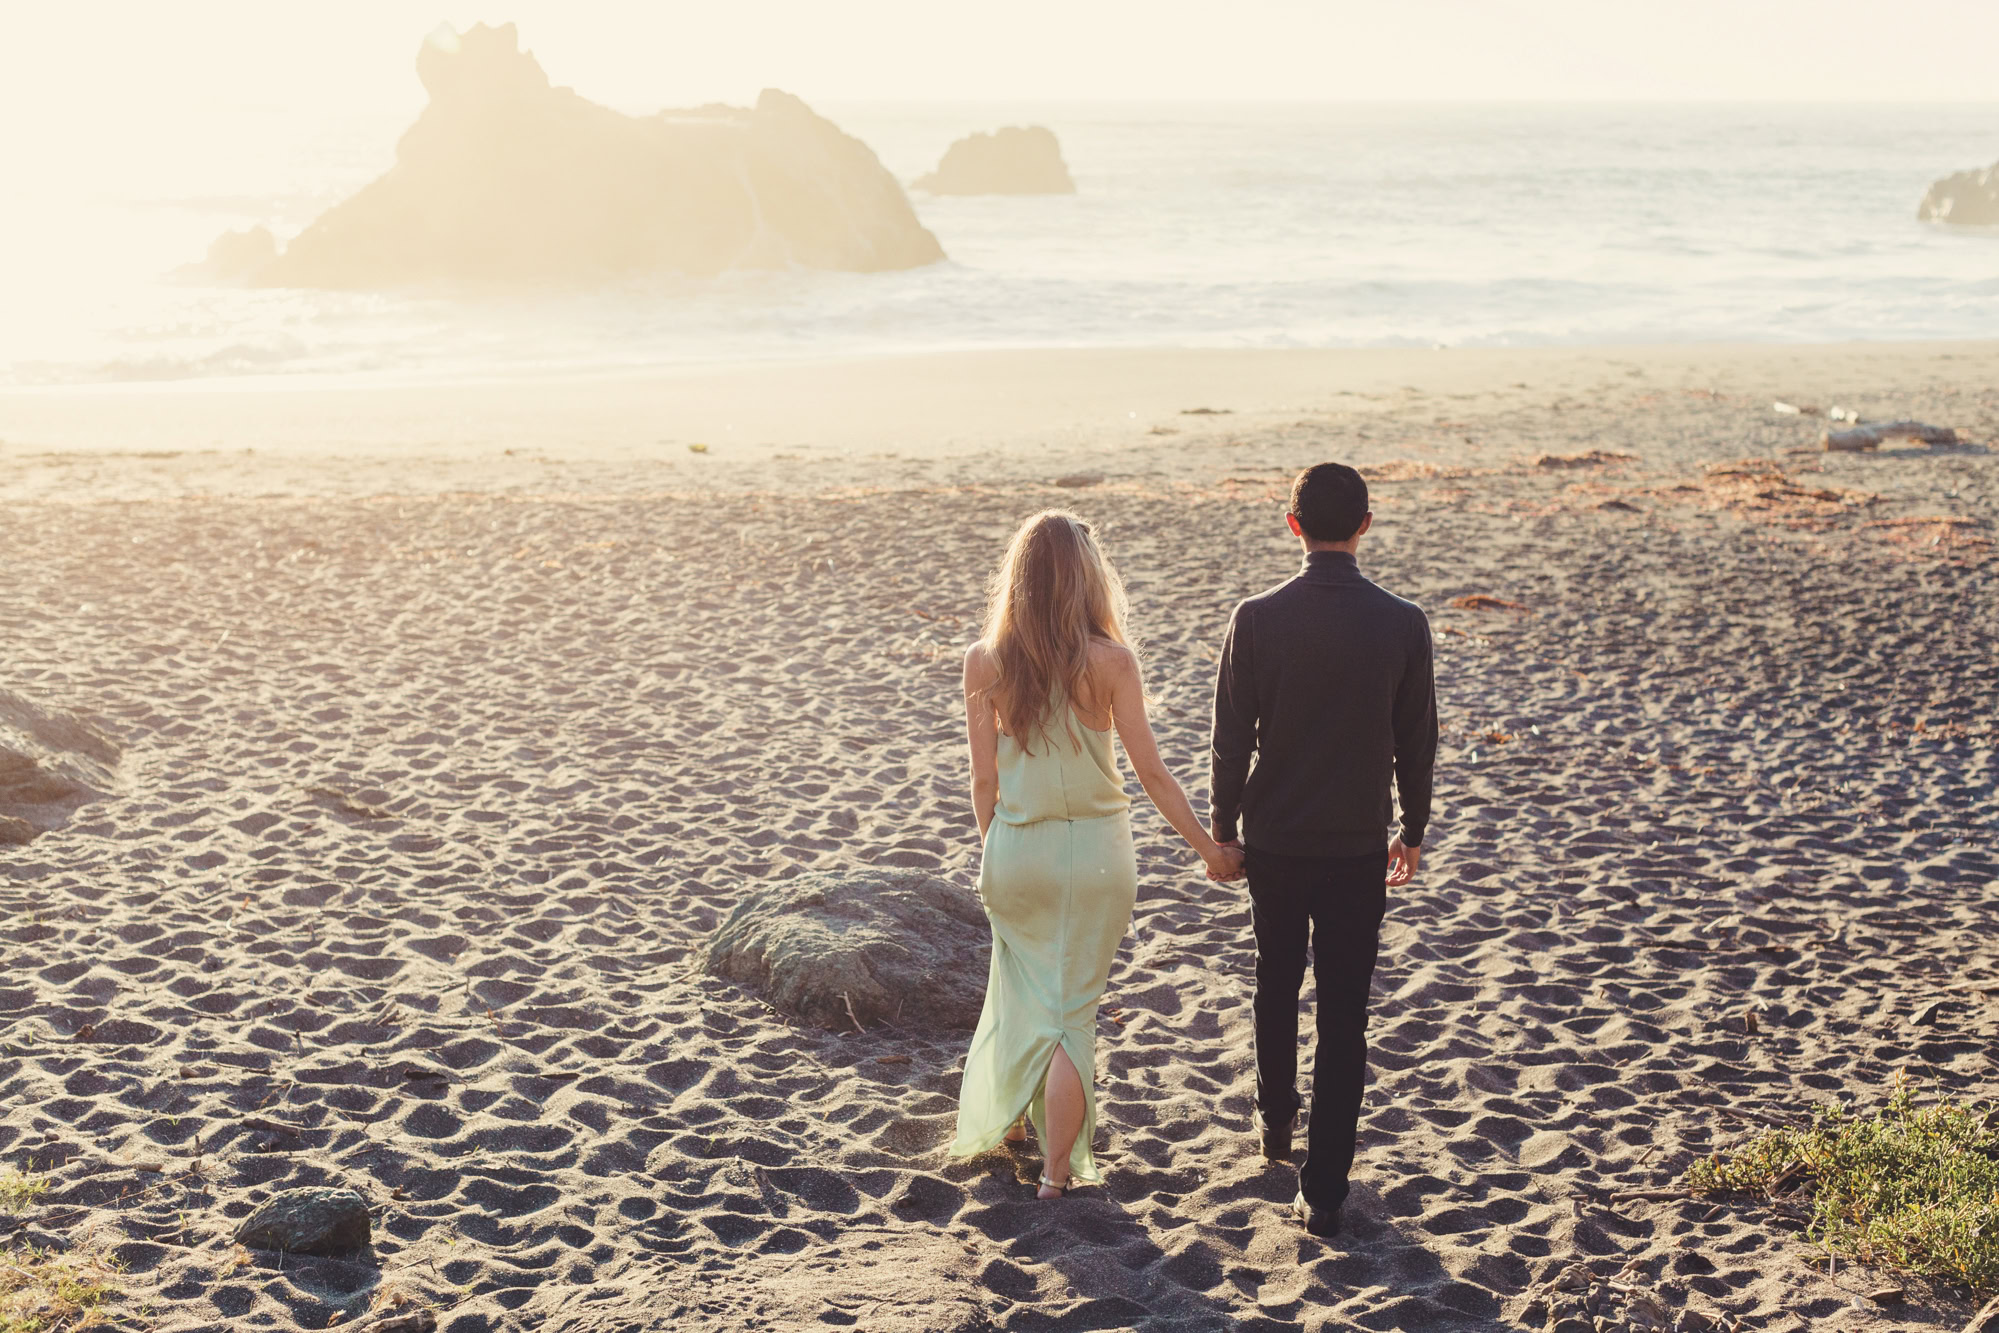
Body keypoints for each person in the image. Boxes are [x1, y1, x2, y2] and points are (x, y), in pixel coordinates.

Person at [950, 510, 1244, 1198]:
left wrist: (995, 847)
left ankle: (1016, 1128)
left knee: (1024, 987)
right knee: (1068, 1011)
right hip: (1095, 854)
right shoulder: (1111, 660)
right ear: (1086, 578)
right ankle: (1055, 1175)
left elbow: (982, 779)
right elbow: (1152, 774)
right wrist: (1209, 849)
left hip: (1018, 845)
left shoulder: (984, 661)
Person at [1210, 462, 1438, 1237]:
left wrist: (1222, 828)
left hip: (1273, 840)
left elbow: (1229, 738)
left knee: (1275, 980)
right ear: (1365, 524)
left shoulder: (1255, 616)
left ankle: (1275, 1120)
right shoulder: (1401, 621)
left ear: (1292, 524)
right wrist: (1412, 828)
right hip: (1353, 847)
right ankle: (1325, 1188)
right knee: (1344, 1013)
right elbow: (1417, 739)